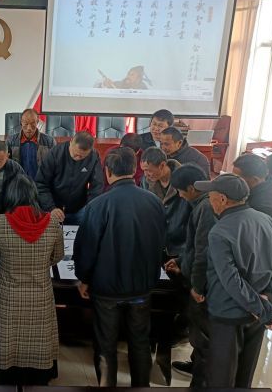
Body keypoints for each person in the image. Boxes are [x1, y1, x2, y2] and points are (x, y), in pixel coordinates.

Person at [74, 148, 166, 387]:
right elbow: (161, 241)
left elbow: (87, 248)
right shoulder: (154, 202)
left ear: (107, 171)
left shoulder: (99, 204)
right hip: (142, 286)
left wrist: (83, 278)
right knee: (140, 342)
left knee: (106, 345)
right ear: (134, 169)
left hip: (107, 289)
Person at [193, 174, 272, 388]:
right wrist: (267, 301)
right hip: (256, 317)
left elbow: (231, 281)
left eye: (211, 195)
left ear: (222, 199)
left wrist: (263, 310)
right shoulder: (267, 221)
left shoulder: (219, 232)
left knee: (221, 379)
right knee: (244, 379)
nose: (209, 199)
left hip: (228, 315)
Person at [0, 175, 63, 385]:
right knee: (39, 339)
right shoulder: (53, 223)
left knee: (8, 338)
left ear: (9, 196)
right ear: (34, 195)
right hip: (40, 294)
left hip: (9, 294)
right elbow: (57, 256)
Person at [164, 164, 217, 386]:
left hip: (204, 284)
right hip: (198, 275)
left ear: (191, 188)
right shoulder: (202, 203)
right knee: (199, 334)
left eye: (180, 191)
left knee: (203, 335)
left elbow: (203, 251)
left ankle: (200, 383)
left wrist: (196, 285)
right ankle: (197, 367)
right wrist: (180, 261)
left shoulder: (206, 208)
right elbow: (193, 246)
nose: (180, 196)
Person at [35, 131, 104, 225]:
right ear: (71, 142)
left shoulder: (93, 156)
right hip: (53, 209)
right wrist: (51, 207)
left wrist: (90, 207)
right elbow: (41, 183)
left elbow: (97, 186)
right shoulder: (55, 153)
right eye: (75, 154)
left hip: (80, 209)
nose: (78, 158)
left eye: (82, 157)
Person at [140, 147, 190, 257]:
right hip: (156, 242)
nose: (146, 174)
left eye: (148, 170)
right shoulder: (146, 181)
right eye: (144, 170)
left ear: (162, 165)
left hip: (181, 245)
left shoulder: (185, 180)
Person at [233, 154, 272, 246]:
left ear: (255, 179)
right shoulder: (262, 185)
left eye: (238, 178)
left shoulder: (266, 206)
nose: (234, 181)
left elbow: (267, 243)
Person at [6, 108, 55, 179]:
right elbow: (6, 165)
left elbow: (55, 166)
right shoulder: (11, 141)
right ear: (21, 122)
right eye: (26, 124)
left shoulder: (49, 142)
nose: (29, 128)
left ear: (37, 122)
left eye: (32, 124)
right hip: (18, 182)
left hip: (40, 182)